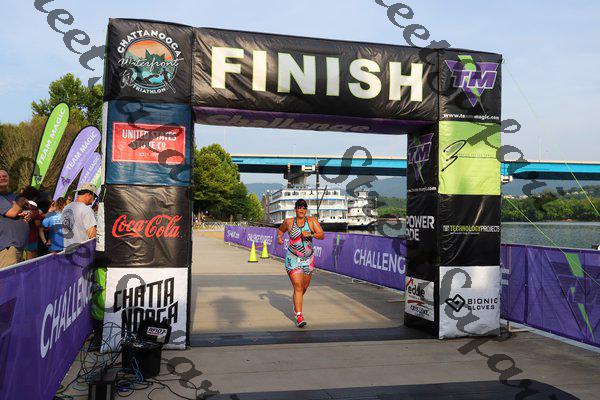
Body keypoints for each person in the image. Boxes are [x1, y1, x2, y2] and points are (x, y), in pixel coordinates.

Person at [277, 199, 324, 328]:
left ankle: (296, 302)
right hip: (292, 258)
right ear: (295, 209)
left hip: (308, 259)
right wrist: (280, 238)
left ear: (306, 210)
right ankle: (299, 315)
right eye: (299, 207)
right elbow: (280, 231)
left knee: (303, 287)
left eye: (304, 207)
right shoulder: (289, 222)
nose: (301, 210)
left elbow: (321, 235)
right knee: (298, 286)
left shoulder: (312, 221)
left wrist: (311, 234)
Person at [0, 170, 30, 268]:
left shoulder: (14, 196)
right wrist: (22, 200)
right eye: (0, 176)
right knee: (8, 276)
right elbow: (12, 213)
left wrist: (27, 214)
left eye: (5, 176)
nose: (2, 178)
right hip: (7, 246)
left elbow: (24, 211)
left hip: (20, 245)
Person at [62, 183, 97, 250]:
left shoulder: (66, 208)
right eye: (94, 197)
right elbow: (92, 235)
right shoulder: (86, 209)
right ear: (89, 195)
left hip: (67, 250)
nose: (93, 200)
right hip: (82, 252)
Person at [20, 186, 45, 260]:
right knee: (30, 260)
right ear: (34, 197)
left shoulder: (18, 205)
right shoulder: (34, 208)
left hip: (19, 238)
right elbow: (37, 224)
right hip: (31, 238)